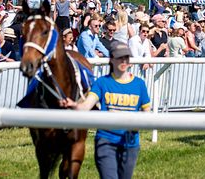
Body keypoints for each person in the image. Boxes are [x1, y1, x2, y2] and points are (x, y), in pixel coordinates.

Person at [60, 42, 151, 179]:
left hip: (130, 143)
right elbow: (86, 106)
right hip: (106, 141)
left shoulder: (139, 84)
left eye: (126, 57)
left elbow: (147, 113)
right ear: (111, 59)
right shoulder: (102, 83)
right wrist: (74, 105)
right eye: (119, 58)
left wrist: (135, 122)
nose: (123, 61)